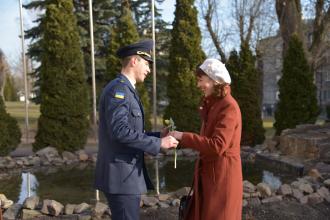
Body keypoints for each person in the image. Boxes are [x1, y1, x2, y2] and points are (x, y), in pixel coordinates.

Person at [94, 39, 178, 220]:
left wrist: (158, 135)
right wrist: (158, 143)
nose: (149, 69)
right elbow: (120, 132)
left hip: (125, 177)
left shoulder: (126, 89)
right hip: (121, 177)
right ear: (134, 61)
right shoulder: (119, 90)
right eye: (146, 63)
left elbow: (129, 131)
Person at [170, 58, 243, 220]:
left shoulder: (228, 106)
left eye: (201, 81)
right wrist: (175, 137)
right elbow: (206, 141)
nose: (198, 85)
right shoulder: (213, 104)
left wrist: (183, 136)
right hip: (210, 177)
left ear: (215, 81)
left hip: (222, 180)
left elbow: (218, 145)